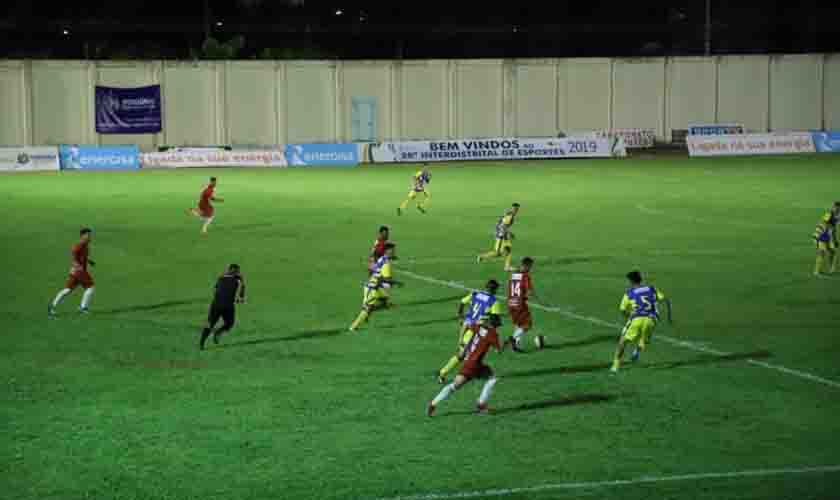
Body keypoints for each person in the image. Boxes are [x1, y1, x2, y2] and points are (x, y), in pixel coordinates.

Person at [428, 313, 503, 417]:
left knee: (455, 385)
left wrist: (464, 348)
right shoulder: (493, 334)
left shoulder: (479, 327)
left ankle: (433, 403)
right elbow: (499, 350)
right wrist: (508, 343)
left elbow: (468, 325)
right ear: (496, 324)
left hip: (469, 360)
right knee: (492, 378)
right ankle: (481, 404)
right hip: (474, 364)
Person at [437, 280, 504, 384]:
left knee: (463, 355)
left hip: (467, 328)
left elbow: (462, 302)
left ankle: (443, 373)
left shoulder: (475, 294)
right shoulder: (494, 301)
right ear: (495, 290)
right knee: (468, 357)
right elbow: (496, 320)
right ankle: (454, 376)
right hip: (478, 332)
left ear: (486, 287)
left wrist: (460, 315)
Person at [611, 271, 672, 373]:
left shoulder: (629, 293)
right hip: (652, 320)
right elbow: (666, 300)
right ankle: (636, 353)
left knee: (622, 342)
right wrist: (669, 317)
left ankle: (615, 366)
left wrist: (628, 318)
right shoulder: (651, 288)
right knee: (644, 338)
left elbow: (622, 309)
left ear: (631, 281)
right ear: (640, 279)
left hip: (637, 319)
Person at [350, 243, 400, 331]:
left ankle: (368, 313)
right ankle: (354, 327)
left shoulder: (382, 258)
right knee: (368, 308)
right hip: (372, 288)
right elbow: (386, 279)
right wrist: (396, 283)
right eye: (392, 250)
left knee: (385, 302)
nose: (394, 252)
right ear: (387, 251)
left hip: (376, 287)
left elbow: (375, 270)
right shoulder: (386, 263)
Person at [48, 228, 96, 317]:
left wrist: (89, 261)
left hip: (75, 271)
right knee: (90, 287)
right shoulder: (80, 245)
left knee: (68, 290)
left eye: (90, 235)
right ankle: (83, 307)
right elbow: (73, 253)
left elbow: (82, 256)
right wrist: (77, 265)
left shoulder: (85, 245)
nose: (90, 237)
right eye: (88, 235)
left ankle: (52, 306)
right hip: (79, 271)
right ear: (83, 236)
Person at [200, 264, 246, 350]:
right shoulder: (238, 280)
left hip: (215, 304)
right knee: (229, 323)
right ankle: (218, 332)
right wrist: (240, 298)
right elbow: (241, 292)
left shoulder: (220, 277)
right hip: (228, 306)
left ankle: (201, 343)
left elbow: (215, 289)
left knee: (210, 324)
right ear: (236, 272)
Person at [505, 257, 541, 353]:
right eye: (530, 266)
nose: (530, 269)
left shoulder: (514, 275)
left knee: (519, 324)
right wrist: (538, 300)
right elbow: (529, 291)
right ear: (526, 265)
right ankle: (512, 339)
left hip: (511, 303)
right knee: (527, 325)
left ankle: (515, 344)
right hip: (520, 304)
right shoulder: (525, 276)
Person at [477, 203, 520, 270]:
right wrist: (510, 233)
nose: (516, 210)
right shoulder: (510, 216)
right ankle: (482, 256)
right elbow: (503, 226)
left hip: (503, 234)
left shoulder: (509, 214)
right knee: (498, 253)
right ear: (512, 208)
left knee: (507, 249)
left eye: (517, 209)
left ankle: (507, 266)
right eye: (515, 209)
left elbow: (501, 224)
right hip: (501, 235)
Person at [813, 212, 837, 276]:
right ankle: (816, 271)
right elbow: (817, 233)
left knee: (833, 252)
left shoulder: (831, 224)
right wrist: (816, 241)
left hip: (827, 240)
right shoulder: (823, 225)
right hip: (821, 240)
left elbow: (832, 232)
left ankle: (830, 268)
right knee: (821, 254)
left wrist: (834, 241)